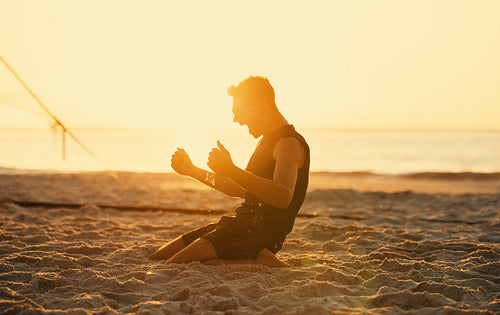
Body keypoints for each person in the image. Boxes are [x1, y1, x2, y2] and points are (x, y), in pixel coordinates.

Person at [149, 76, 310, 267]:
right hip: (238, 224)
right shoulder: (266, 141)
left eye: (239, 111)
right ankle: (252, 260)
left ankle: (258, 260)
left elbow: (283, 196)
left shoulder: (288, 143)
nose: (236, 119)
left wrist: (231, 169)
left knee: (174, 265)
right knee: (157, 258)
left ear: (261, 105)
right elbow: (239, 189)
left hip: (259, 235)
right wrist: (193, 171)